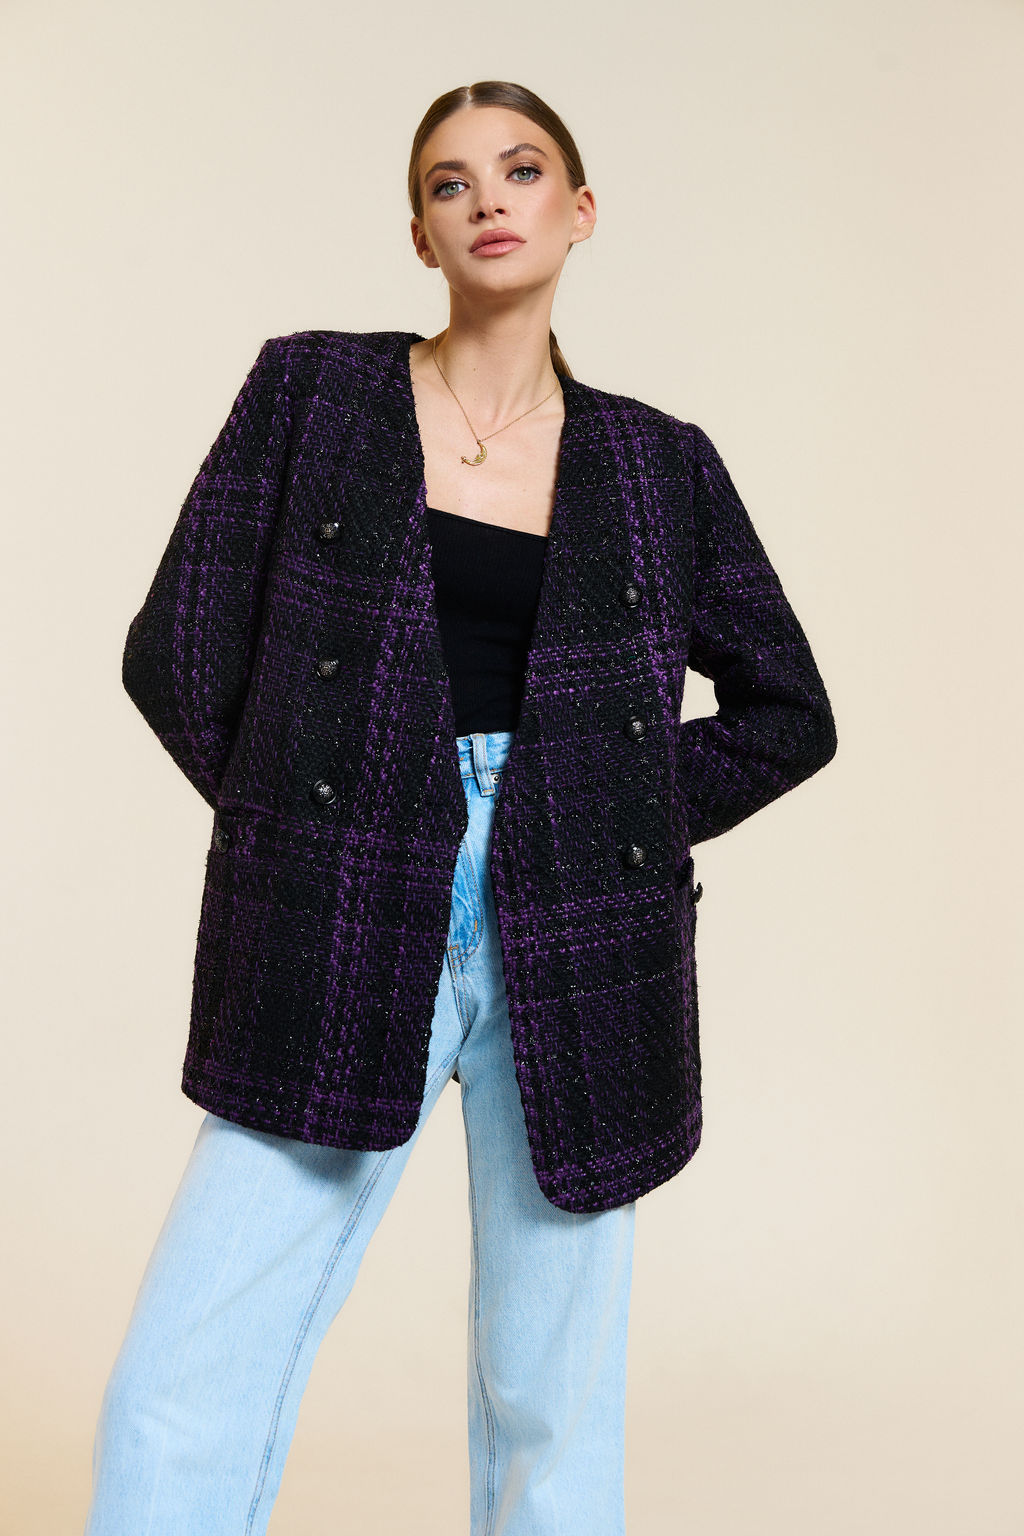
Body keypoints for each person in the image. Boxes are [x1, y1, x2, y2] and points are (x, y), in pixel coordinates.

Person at [84, 79, 837, 1536]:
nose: (488, 198)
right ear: (421, 234)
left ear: (581, 211)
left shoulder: (659, 463)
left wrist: (598, 815)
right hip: (341, 901)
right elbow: (172, 652)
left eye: (522, 168)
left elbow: (789, 711)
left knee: (554, 1394)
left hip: (585, 927)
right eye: (449, 182)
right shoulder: (312, 394)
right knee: (184, 1375)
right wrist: (318, 831)